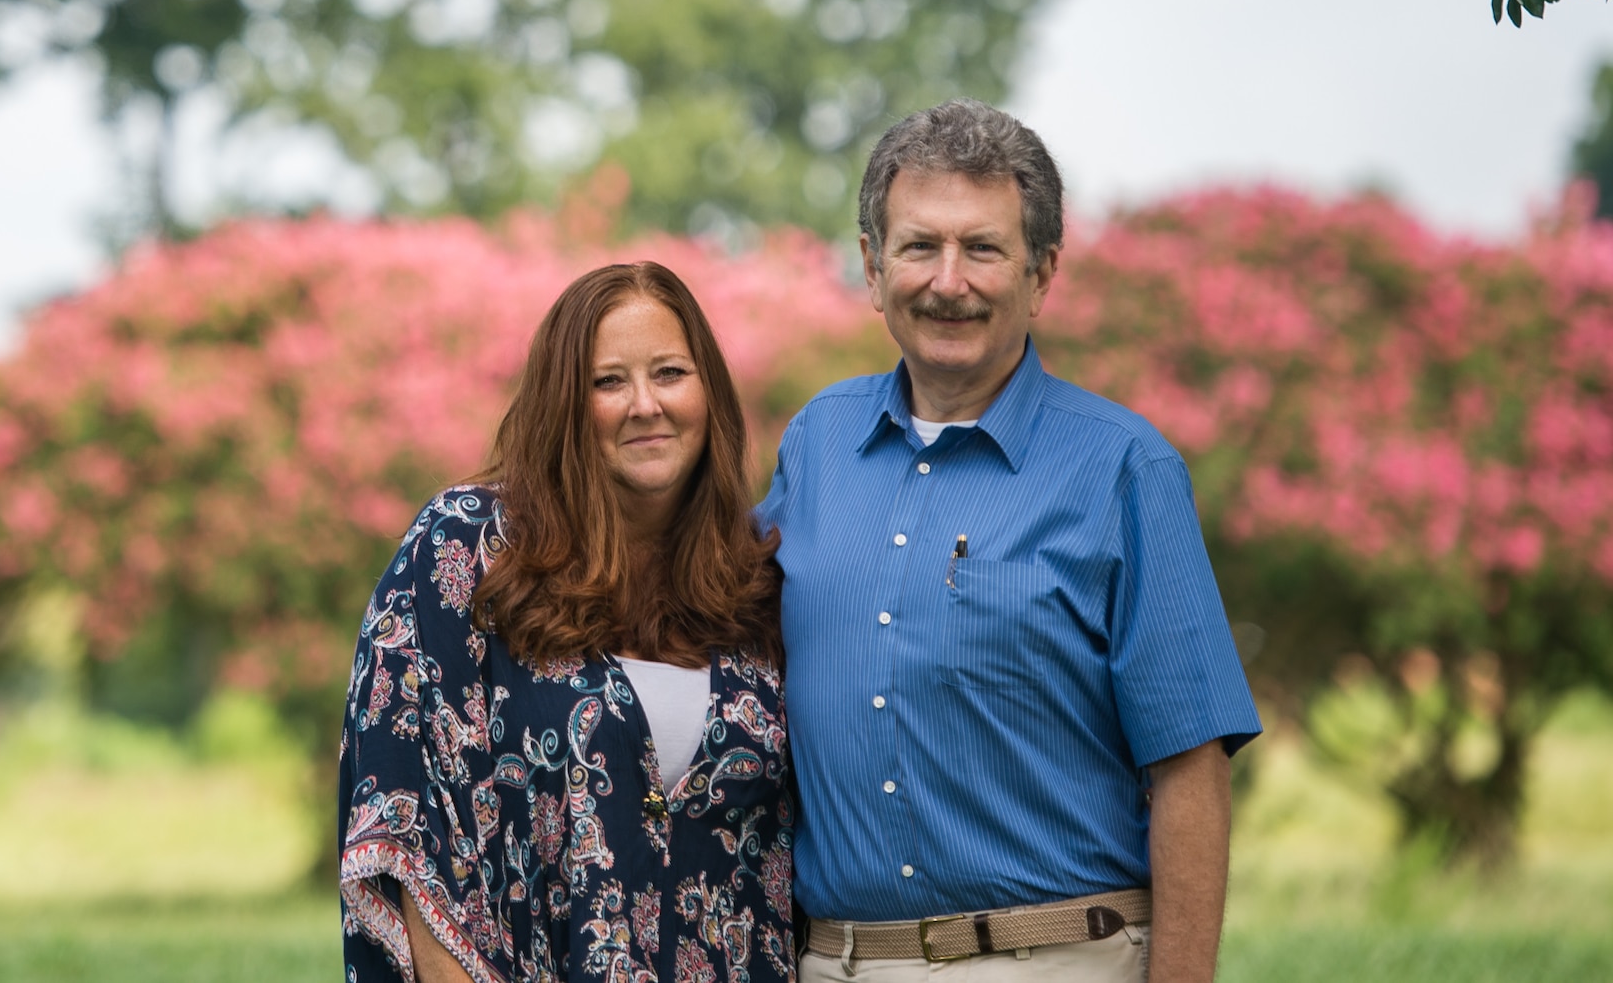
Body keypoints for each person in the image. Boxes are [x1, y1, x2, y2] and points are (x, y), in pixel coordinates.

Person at [759, 101, 1262, 983]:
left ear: (1042, 272)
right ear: (873, 267)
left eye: (983, 248)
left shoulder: (1124, 469)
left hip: (1057, 959)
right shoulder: (815, 445)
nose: (948, 280)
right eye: (919, 246)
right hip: (834, 962)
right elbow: (704, 630)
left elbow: (1190, 767)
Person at [338, 262, 796, 983]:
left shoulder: (756, 583)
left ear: (710, 391)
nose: (645, 403)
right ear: (564, 403)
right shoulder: (465, 548)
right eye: (608, 381)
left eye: (670, 371)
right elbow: (408, 820)